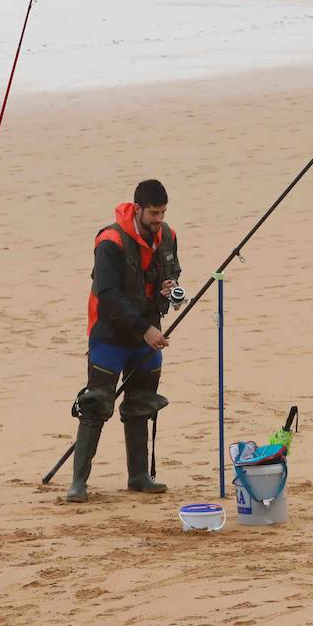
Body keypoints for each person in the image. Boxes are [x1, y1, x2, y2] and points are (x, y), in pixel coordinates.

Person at [67, 179, 181, 503]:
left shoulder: (168, 236)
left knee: (140, 405)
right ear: (138, 208)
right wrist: (145, 329)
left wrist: (169, 287)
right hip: (110, 336)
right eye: (154, 213)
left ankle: (139, 476)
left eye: (163, 213)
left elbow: (173, 270)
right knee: (96, 404)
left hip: (148, 334)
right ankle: (78, 483)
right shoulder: (110, 241)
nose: (159, 220)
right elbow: (107, 295)